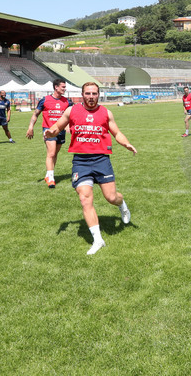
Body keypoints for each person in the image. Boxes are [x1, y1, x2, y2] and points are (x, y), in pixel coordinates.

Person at [44, 82, 136, 255]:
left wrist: (127, 144)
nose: (91, 96)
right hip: (81, 161)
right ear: (82, 94)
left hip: (101, 160)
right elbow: (58, 126)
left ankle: (122, 204)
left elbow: (116, 133)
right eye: (88, 93)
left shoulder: (106, 113)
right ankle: (98, 240)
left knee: (111, 197)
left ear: (99, 95)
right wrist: (51, 132)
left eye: (94, 93)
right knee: (85, 198)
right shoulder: (72, 111)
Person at [26, 79, 74, 188]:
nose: (65, 89)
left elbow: (72, 115)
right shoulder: (45, 100)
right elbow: (35, 114)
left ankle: (48, 174)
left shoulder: (67, 102)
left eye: (65, 87)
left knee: (55, 154)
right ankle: (51, 178)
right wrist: (30, 127)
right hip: (48, 130)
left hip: (60, 131)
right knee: (51, 153)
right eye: (63, 87)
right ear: (56, 87)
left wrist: (68, 126)